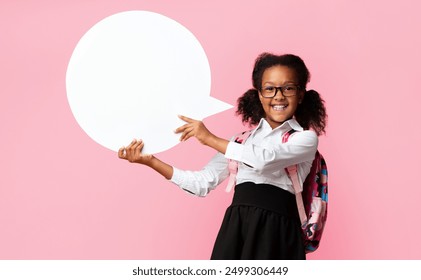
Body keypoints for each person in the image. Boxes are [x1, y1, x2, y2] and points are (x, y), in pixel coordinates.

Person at [118, 52, 327, 259]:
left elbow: (264, 160)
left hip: (278, 233)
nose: (278, 96)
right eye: (270, 89)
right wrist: (151, 162)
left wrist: (208, 137)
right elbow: (202, 183)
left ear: (300, 95)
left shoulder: (305, 139)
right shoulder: (239, 141)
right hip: (236, 229)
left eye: (288, 88)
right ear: (259, 95)